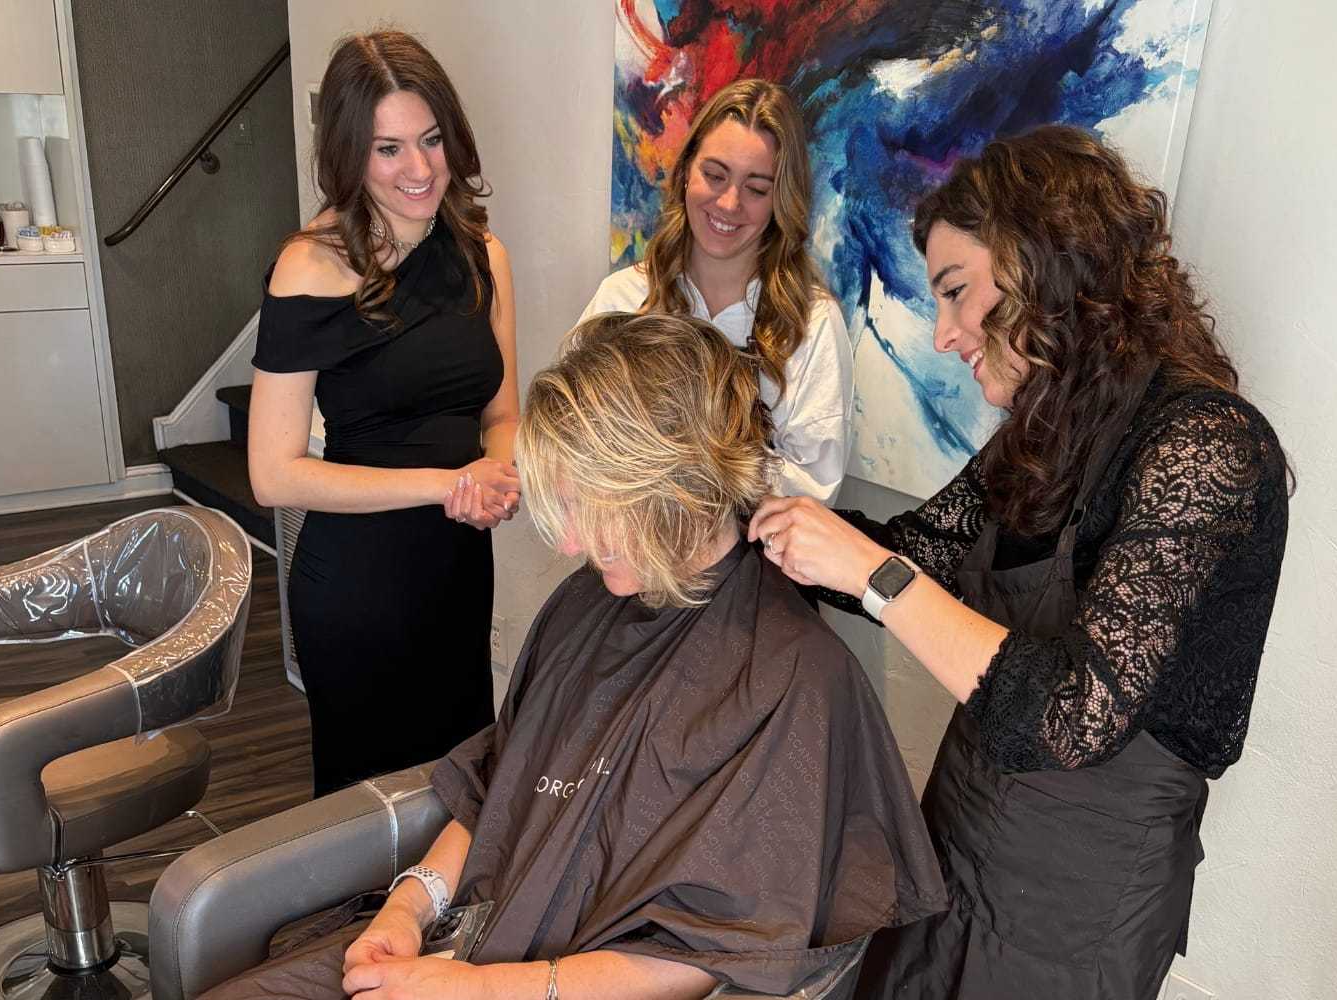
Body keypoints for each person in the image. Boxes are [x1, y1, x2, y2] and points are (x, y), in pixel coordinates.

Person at [203, 312, 946, 1000]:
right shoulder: (588, 601)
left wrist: (486, 992)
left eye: (591, 507)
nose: (567, 543)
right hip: (472, 935)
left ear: (675, 489)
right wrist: (411, 903)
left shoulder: (793, 677)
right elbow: (507, 781)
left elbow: (721, 951)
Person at [748, 126, 1291, 1000]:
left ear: (1044, 263)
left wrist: (871, 576)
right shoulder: (1043, 433)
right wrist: (745, 518)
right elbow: (916, 552)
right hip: (956, 838)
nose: (943, 334)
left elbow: (1077, 713)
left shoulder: (1205, 444)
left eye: (957, 292)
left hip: (1079, 905)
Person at [248, 31, 520, 797]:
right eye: (389, 149)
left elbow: (502, 412)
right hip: (357, 587)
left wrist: (498, 471)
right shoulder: (309, 267)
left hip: (456, 570)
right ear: (350, 155)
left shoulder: (483, 255)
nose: (421, 169)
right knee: (365, 814)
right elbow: (273, 475)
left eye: (431, 140)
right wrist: (447, 484)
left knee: (459, 790)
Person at [583, 78, 854, 504]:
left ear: (781, 200)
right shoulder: (622, 298)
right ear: (685, 173)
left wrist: (692, 457)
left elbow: (812, 493)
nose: (729, 203)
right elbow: (573, 434)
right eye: (714, 175)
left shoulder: (812, 323)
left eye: (756, 189)